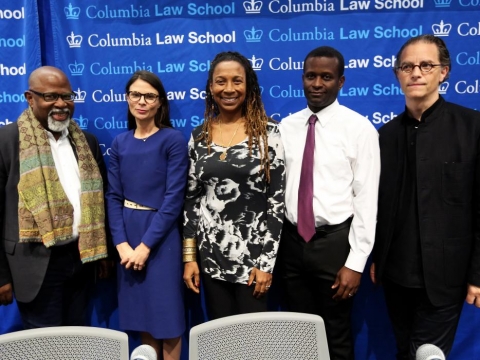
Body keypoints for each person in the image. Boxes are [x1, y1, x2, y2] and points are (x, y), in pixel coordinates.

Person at [371, 34, 480, 359]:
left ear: (443, 72)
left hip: (447, 277)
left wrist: (477, 275)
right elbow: (380, 205)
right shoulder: (385, 137)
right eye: (407, 66)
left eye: (425, 65)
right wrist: (378, 255)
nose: (416, 72)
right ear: (397, 75)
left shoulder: (472, 128)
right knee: (405, 351)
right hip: (395, 276)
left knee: (428, 354)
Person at [278, 46, 380, 360]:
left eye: (326, 77)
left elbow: (366, 200)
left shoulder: (359, 129)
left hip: (336, 244)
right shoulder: (286, 127)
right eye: (311, 76)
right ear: (302, 79)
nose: (317, 83)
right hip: (292, 243)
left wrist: (356, 262)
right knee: (299, 333)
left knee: (335, 333)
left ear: (341, 81)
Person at [0, 66, 108, 328]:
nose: (61, 104)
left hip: (80, 260)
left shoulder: (86, 142)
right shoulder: (7, 141)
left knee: (76, 338)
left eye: (67, 96)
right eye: (50, 97)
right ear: (30, 98)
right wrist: (1, 275)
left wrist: (104, 254)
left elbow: (100, 201)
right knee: (46, 346)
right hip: (35, 265)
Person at [182, 51, 285, 319]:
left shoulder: (269, 134)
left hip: (253, 261)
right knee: (220, 340)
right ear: (211, 87)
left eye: (237, 81)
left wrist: (266, 263)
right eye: (221, 81)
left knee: (253, 343)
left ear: (248, 85)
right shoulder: (198, 136)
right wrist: (189, 257)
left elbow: (276, 202)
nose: (229, 89)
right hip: (211, 259)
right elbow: (192, 201)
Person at [106, 70, 188, 360]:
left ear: (159, 103)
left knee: (167, 317)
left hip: (161, 238)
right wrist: (122, 246)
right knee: (142, 316)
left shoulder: (172, 140)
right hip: (127, 237)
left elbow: (173, 199)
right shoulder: (119, 143)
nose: (141, 101)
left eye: (149, 96)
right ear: (127, 98)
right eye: (135, 95)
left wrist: (145, 246)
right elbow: (113, 197)